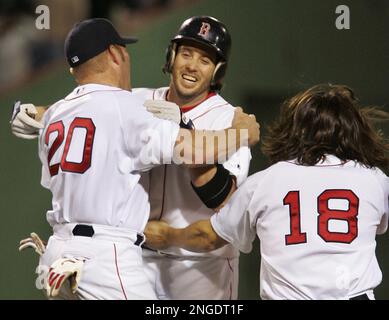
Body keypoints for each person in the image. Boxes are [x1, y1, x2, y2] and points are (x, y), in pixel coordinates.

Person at [12, 17, 259, 299]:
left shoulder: (226, 117)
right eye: (186, 53)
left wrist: (170, 235)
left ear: (218, 70)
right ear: (172, 56)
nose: (191, 65)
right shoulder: (137, 101)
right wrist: (36, 111)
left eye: (204, 59)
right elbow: (91, 105)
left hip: (198, 267)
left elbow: (225, 202)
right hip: (134, 257)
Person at [145, 84, 389, 300]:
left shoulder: (266, 181)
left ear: (296, 131)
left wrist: (167, 235)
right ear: (354, 130)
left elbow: (208, 237)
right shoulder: (375, 180)